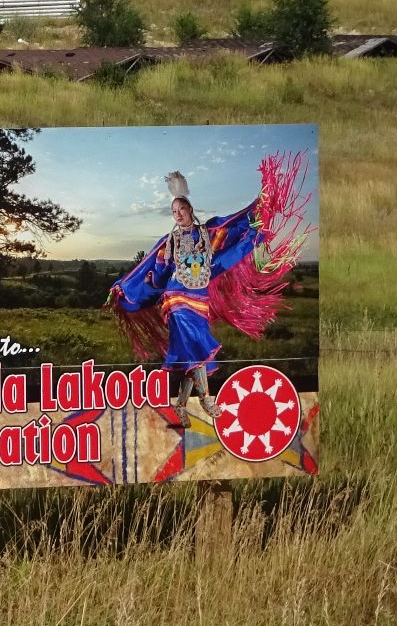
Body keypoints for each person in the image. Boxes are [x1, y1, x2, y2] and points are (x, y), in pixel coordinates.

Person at [105, 155, 312, 427]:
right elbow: (157, 272)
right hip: (176, 298)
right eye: (173, 211)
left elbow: (223, 257)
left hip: (199, 299)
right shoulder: (168, 241)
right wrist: (132, 288)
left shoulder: (210, 233)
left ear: (190, 209)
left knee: (191, 353)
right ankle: (206, 398)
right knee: (194, 344)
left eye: (181, 209)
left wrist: (254, 232)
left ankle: (180, 406)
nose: (177, 214)